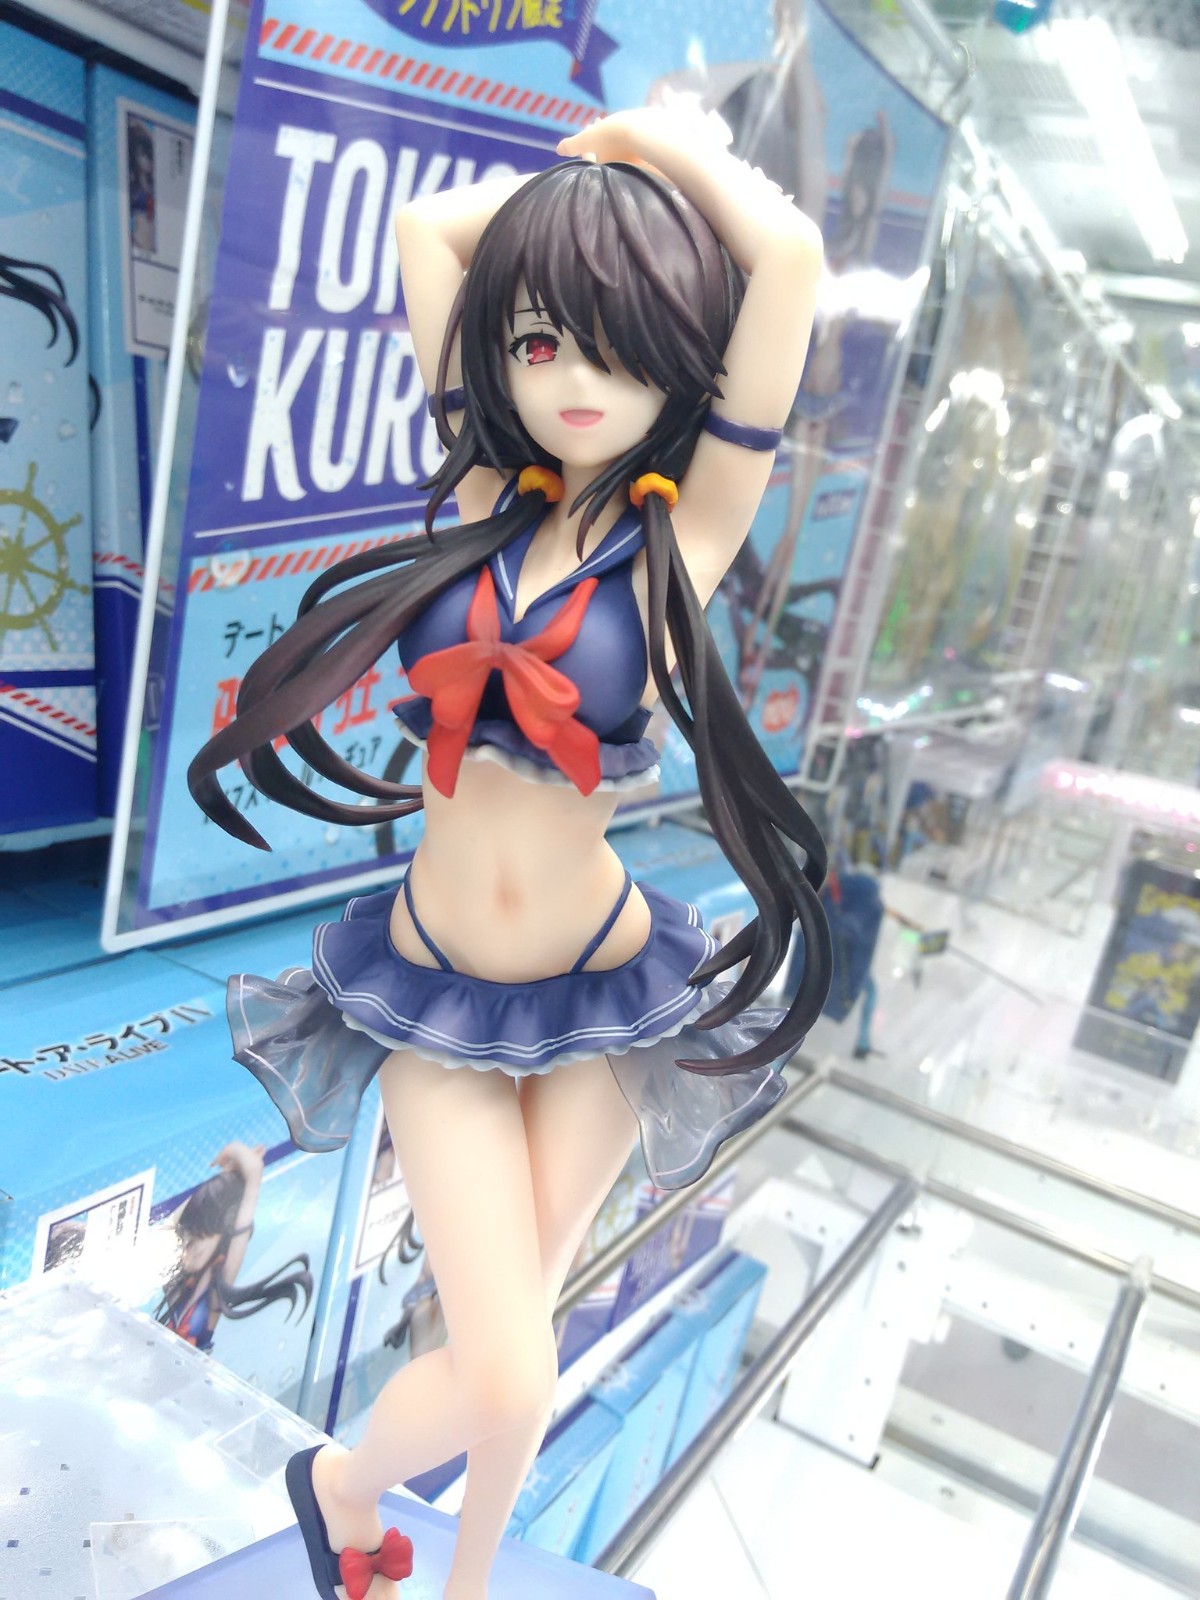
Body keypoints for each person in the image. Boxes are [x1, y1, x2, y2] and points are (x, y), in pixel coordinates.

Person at [190, 108, 827, 1600]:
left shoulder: (687, 539)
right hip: (433, 987)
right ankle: (344, 1489)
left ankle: (461, 1575)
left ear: (683, 364)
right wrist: (581, 177)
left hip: (605, 984)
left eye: (624, 348)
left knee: (514, 1334)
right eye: (541, 343)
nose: (574, 382)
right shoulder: (483, 496)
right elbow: (430, 233)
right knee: (509, 1361)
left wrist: (654, 156)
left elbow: (790, 252)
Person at [156, 1142, 313, 1353]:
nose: (190, 1248)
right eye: (188, 1238)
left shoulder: (213, 1296)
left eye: (201, 1237)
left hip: (187, 1368)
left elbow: (241, 1227)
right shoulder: (179, 1288)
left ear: (221, 1240)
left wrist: (246, 1176)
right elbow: (166, 1228)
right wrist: (225, 1175)